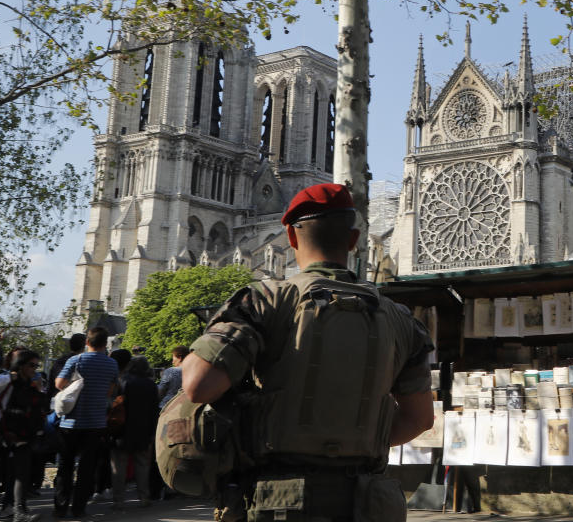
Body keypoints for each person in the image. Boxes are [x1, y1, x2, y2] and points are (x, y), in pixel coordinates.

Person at [182, 183, 434, 522]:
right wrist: (352, 438)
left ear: (291, 236)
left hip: (281, 500)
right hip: (367, 502)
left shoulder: (264, 302)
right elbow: (420, 419)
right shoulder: (404, 321)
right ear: (353, 240)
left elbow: (199, 384)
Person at [53, 327, 119, 518]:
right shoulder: (112, 364)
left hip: (70, 423)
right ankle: (79, 508)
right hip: (96, 422)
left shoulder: (76, 360)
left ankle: (61, 507)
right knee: (87, 467)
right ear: (105, 343)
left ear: (87, 342)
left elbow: (59, 384)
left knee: (65, 466)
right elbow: (110, 391)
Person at [0, 350, 49, 522]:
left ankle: (18, 510)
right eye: (31, 365)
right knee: (11, 472)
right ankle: (16, 510)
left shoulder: (31, 383)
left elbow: (43, 404)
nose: (34, 369)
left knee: (19, 472)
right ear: (20, 365)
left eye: (36, 365)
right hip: (9, 433)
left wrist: (39, 389)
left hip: (24, 434)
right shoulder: (9, 380)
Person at [111, 357, 158, 510]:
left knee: (119, 466)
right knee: (143, 465)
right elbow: (154, 411)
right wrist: (152, 431)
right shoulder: (151, 385)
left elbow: (115, 405)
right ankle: (144, 497)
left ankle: (119, 500)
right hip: (144, 430)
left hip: (122, 430)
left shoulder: (123, 382)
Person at [48, 334, 86, 398]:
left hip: (57, 399)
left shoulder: (60, 361)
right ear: (84, 346)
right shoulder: (81, 362)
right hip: (66, 400)